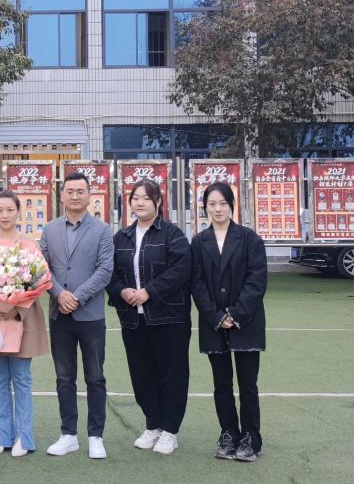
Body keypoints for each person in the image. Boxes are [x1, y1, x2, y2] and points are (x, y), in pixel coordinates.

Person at [107, 179, 192, 456]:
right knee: (142, 374)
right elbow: (110, 273)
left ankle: (170, 430)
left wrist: (149, 292)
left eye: (146, 198)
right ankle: (153, 424)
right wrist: (123, 291)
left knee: (172, 374)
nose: (140, 202)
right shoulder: (122, 237)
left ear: (158, 202)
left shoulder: (172, 234)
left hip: (169, 319)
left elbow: (180, 270)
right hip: (133, 320)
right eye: (135, 198)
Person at [190, 182, 267, 462]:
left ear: (232, 205)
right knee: (221, 384)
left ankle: (250, 438)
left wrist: (234, 315)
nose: (218, 209)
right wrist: (216, 316)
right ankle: (228, 434)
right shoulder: (199, 242)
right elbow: (196, 283)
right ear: (205, 208)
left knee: (248, 384)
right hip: (213, 325)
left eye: (223, 203)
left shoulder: (249, 239)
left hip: (247, 323)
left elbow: (257, 281)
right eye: (212, 204)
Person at [40, 172, 113, 459]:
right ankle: (68, 434)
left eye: (80, 191)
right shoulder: (50, 229)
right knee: (64, 377)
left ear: (89, 195)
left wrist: (77, 297)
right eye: (69, 191)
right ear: (61, 196)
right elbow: (41, 268)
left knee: (95, 377)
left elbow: (104, 270)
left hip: (91, 316)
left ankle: (96, 435)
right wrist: (59, 294)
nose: (74, 196)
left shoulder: (102, 230)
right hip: (60, 315)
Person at [0, 190, 49, 458]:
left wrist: (12, 309)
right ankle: (3, 434)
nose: (5, 215)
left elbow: (39, 283)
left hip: (22, 320)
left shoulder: (31, 246)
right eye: (0, 210)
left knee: (21, 379)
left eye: (10, 210)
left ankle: (24, 437)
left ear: (19, 212)